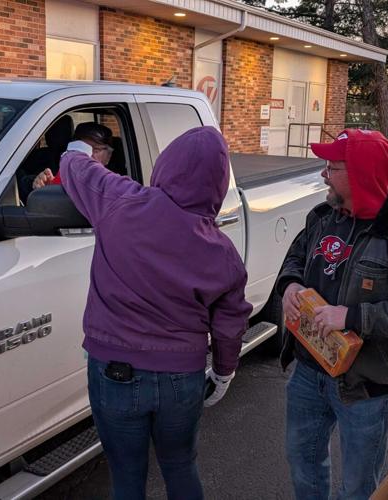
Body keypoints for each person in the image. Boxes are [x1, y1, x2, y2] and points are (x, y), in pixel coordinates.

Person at [56, 126, 252, 500]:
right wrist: (224, 374)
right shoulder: (221, 250)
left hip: (115, 372)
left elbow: (75, 166)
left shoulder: (120, 201)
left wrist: (79, 145)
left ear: (166, 167)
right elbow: (230, 324)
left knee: (127, 476)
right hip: (183, 378)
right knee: (180, 465)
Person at [277, 129, 388, 500]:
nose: (324, 173)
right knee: (303, 464)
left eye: (332, 166)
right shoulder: (322, 216)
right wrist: (290, 283)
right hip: (309, 370)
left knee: (357, 486)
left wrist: (353, 317)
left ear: (361, 175)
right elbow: (295, 256)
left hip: (366, 386)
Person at [31, 121, 114, 189]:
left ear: (108, 156)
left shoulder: (115, 186)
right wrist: (48, 189)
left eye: (96, 150)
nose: (88, 155)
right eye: (82, 148)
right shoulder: (61, 174)